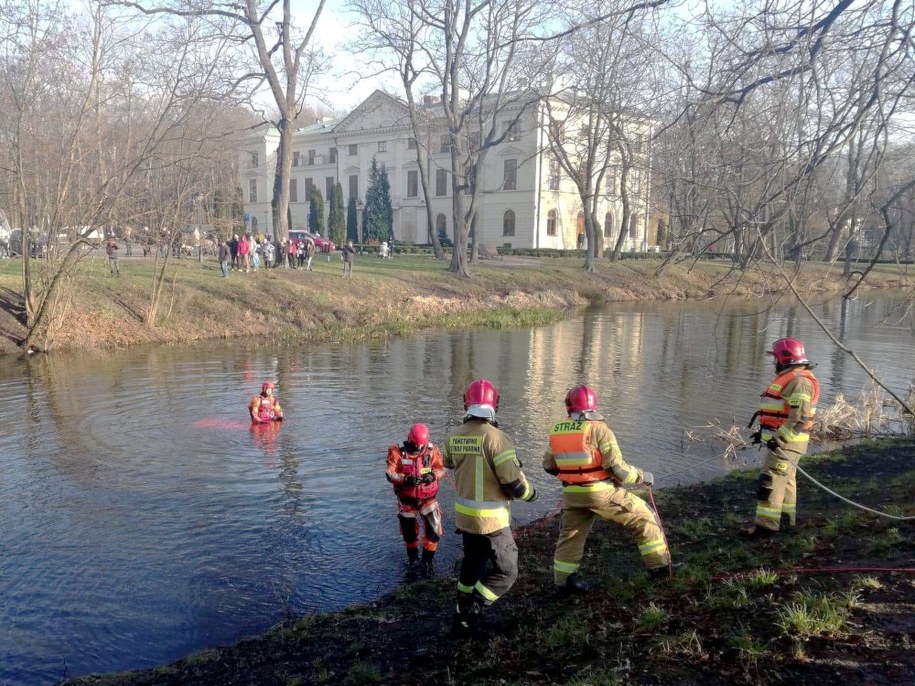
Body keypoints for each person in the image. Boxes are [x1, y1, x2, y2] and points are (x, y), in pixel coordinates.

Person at [543, 385, 671, 590]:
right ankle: (660, 568)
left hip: (571, 495)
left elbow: (548, 466)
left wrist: (572, 476)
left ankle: (563, 582)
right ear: (593, 406)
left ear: (569, 407)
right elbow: (617, 469)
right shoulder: (600, 429)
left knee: (570, 536)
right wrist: (641, 476)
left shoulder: (557, 429)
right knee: (644, 517)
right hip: (600, 492)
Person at [443, 378, 537, 637]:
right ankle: (473, 610)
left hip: (465, 520)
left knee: (472, 565)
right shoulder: (497, 438)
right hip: (492, 522)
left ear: (466, 403)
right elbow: (513, 483)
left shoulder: (453, 436)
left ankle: (460, 614)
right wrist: (532, 495)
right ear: (495, 404)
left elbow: (448, 463)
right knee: (507, 570)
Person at [745, 338, 820, 537]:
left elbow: (799, 418)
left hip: (786, 444)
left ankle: (766, 526)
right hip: (786, 443)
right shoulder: (793, 379)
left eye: (775, 358)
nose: (774, 363)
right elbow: (783, 413)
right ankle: (786, 521)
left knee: (771, 480)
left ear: (784, 358)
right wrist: (765, 433)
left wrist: (779, 439)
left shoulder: (799, 382)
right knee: (786, 481)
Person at [385, 423, 446, 577]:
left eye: (421, 446)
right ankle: (413, 561)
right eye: (415, 446)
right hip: (407, 500)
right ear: (410, 440)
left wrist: (432, 475)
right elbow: (390, 474)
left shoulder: (433, 451)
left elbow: (442, 468)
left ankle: (427, 562)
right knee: (409, 534)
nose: (418, 449)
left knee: (434, 532)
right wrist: (407, 479)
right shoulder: (397, 451)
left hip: (428, 499)